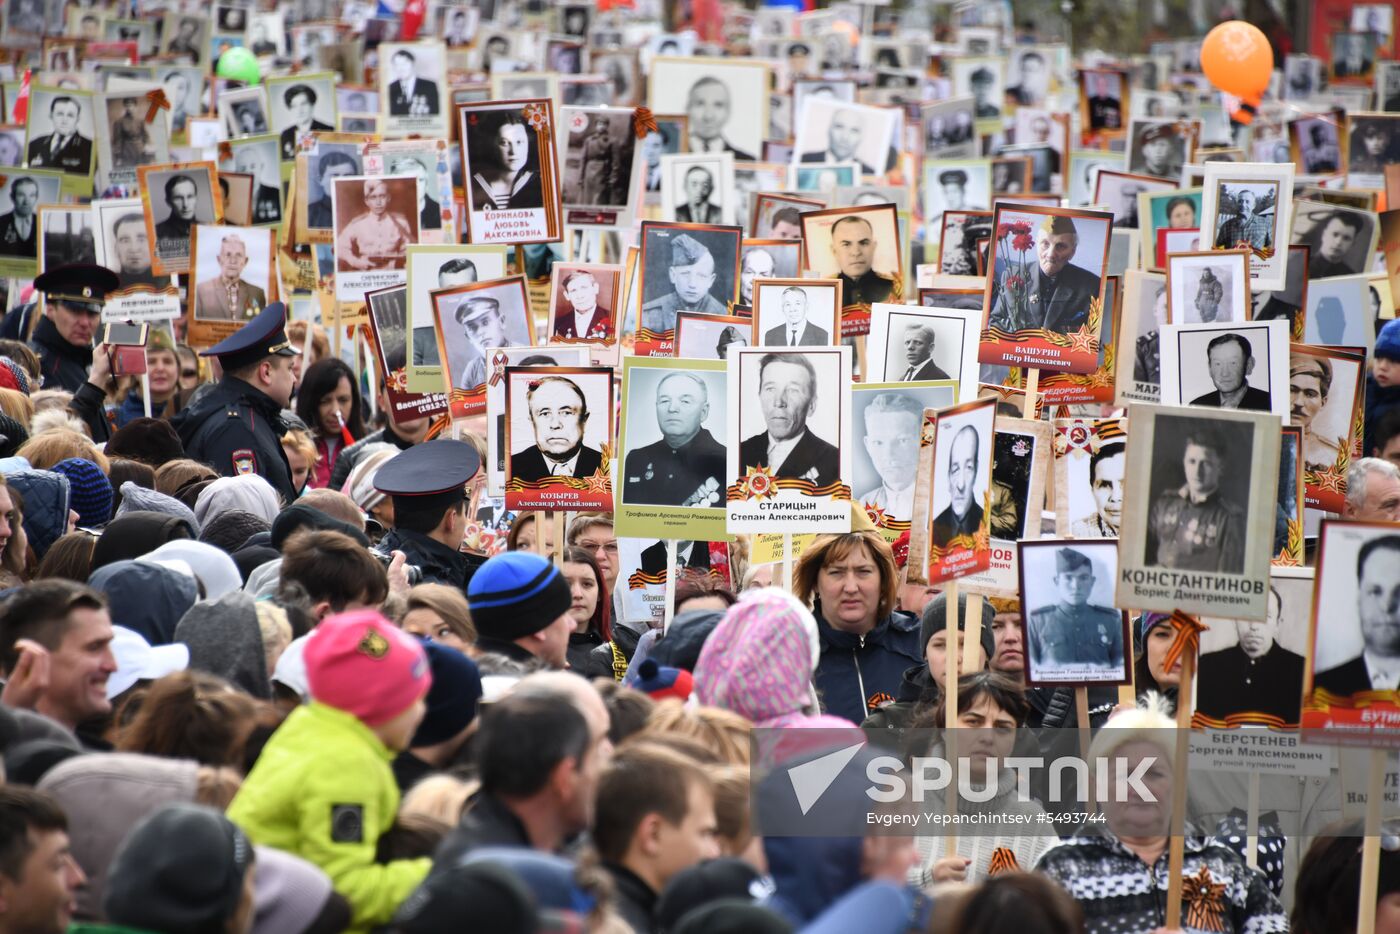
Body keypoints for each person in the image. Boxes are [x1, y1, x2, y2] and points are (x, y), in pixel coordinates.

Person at [228, 610, 432, 931]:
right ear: (379, 706)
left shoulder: (312, 729)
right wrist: (437, 875)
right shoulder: (347, 765)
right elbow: (342, 890)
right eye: (414, 700)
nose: (422, 712)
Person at [1035, 700, 1287, 934]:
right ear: (1096, 785)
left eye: (1153, 773)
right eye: (1124, 774)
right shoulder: (1060, 869)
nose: (1139, 788)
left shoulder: (1223, 866)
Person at [432, 676, 611, 862]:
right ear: (563, 776)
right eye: (598, 742)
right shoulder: (489, 878)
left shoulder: (500, 848)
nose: (610, 753)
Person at [172, 302, 299, 502]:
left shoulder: (247, 418)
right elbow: (243, 516)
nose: (294, 378)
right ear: (266, 372)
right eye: (290, 368)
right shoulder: (237, 429)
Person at [592, 744, 720, 933]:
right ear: (653, 834)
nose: (715, 853)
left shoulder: (595, 904)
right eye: (704, 834)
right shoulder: (621, 925)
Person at [0, 579, 115, 734]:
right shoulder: (15, 755)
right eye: (94, 647)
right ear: (29, 658)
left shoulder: (104, 754)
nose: (113, 665)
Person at [373, 439, 483, 590]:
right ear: (451, 519)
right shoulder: (436, 589)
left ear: (395, 513)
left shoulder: (373, 563)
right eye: (465, 514)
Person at [1196, 584, 1306, 726]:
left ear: (1278, 623)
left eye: (1266, 616)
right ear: (1235, 621)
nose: (1254, 625)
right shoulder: (1207, 667)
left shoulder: (1300, 670)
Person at [1148, 427, 1245, 573]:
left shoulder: (1230, 518)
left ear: (1221, 468)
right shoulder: (1165, 503)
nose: (1197, 471)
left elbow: (1227, 580)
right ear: (1184, 462)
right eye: (1192, 461)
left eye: (1205, 463)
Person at [1313, 534, 1400, 697]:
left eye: (1399, 592)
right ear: (1359, 598)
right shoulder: (1319, 689)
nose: (1387, 606)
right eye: (1375, 591)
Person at [623, 372, 726, 508]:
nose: (672, 409)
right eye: (664, 401)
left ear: (704, 412)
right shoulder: (636, 459)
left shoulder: (726, 461)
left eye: (685, 401)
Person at [738, 352, 840, 486]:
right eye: (770, 389)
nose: (779, 401)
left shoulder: (834, 461)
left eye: (793, 390)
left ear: (811, 405)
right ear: (760, 396)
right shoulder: (740, 452)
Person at [988, 214, 1102, 334]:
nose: (1050, 254)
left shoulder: (1092, 286)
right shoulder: (1012, 275)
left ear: (1072, 252)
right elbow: (996, 322)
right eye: (1045, 244)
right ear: (1037, 243)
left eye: (1060, 246)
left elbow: (1093, 336)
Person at [27, 263, 120, 398]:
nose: (84, 323)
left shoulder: (82, 359)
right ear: (51, 309)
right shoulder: (38, 366)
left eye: (92, 313)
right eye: (75, 311)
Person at [1027, 547, 1123, 672]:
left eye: (1083, 578)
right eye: (1068, 578)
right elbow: (1031, 670)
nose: (1075, 586)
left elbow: (1121, 668)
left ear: (1092, 581)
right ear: (1057, 581)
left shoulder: (1111, 620)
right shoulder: (1037, 621)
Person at [510, 375, 603, 481]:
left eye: (566, 413)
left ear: (584, 420)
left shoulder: (606, 466)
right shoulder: (511, 468)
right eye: (545, 413)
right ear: (532, 422)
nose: (555, 424)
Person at [855, 393, 922, 522]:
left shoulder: (942, 502)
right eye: (878, 443)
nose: (889, 454)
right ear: (868, 446)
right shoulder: (863, 505)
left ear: (922, 441)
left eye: (902, 440)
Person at [641, 233, 727, 332]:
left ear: (710, 281)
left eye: (701, 276)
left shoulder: (724, 315)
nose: (692, 284)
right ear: (673, 275)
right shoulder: (650, 314)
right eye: (685, 274)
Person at [468, 113, 544, 211]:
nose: (513, 151)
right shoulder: (473, 184)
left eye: (519, 142)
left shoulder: (542, 183)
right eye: (504, 143)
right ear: (492, 145)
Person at [337, 178, 412, 271]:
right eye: (373, 197)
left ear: (388, 198)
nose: (378, 202)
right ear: (366, 201)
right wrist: (356, 262)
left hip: (394, 272)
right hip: (366, 273)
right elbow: (339, 247)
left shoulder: (400, 222)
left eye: (382, 196)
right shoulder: (357, 224)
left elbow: (409, 249)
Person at [1290, 353, 1346, 470]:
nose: (1299, 402)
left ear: (1323, 402)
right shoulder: (1256, 438)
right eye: (1291, 390)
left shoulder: (1333, 457)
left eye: (1310, 394)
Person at [193, 234, 266, 322]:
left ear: (245, 261)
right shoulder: (201, 291)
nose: (233, 261)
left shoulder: (257, 293)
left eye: (238, 255)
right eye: (228, 255)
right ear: (219, 259)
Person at [1189, 333, 1272, 410]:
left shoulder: (1270, 403)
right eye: (1217, 364)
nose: (1224, 373)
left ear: (1249, 365)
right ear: (1209, 368)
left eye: (1233, 363)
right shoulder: (1197, 407)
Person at [932, 424, 983, 548]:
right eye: (955, 470)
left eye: (969, 468)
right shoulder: (934, 528)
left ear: (976, 471)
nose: (961, 485)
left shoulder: (987, 526)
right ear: (949, 476)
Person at [830, 215, 897, 306]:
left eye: (864, 243)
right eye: (846, 244)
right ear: (834, 251)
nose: (856, 252)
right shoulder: (825, 292)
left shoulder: (894, 288)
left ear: (874, 246)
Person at [686, 77, 753, 160]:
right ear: (687, 109)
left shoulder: (747, 162)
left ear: (728, 112)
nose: (708, 116)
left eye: (718, 105)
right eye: (700, 104)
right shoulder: (667, 157)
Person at [451, 296, 508, 392]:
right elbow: (466, 404)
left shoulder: (525, 357)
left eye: (485, 322)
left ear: (501, 321)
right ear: (468, 337)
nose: (480, 332)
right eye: (473, 328)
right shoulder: (471, 370)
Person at [1071, 441, 1125, 537]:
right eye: (1104, 485)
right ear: (1093, 490)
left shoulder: (1159, 530)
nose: (1115, 497)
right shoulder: (1075, 533)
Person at [26, 97, 92, 174]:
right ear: (51, 115)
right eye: (60, 114)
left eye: (70, 115)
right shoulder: (35, 144)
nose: (64, 120)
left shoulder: (89, 147)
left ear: (77, 119)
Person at [799, 108, 876, 174]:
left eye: (854, 130)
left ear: (861, 138)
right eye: (839, 127)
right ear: (829, 130)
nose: (845, 137)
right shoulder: (804, 160)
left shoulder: (869, 173)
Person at [552, 269, 612, 340]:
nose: (579, 296)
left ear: (595, 288)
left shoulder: (612, 318)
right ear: (567, 295)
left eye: (584, 288)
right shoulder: (557, 324)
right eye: (573, 290)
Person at [278, 83, 333, 160]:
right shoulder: (286, 135)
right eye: (294, 106)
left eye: (303, 104)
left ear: (312, 105)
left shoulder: (329, 130)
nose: (299, 110)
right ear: (290, 109)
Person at [307, 150, 360, 229]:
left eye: (348, 176)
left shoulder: (367, 212)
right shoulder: (308, 213)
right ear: (320, 180)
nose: (341, 181)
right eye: (335, 176)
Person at [1306, 210, 1365, 278]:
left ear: (1352, 244)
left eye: (1346, 238)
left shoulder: (1352, 277)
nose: (1338, 242)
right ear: (1324, 235)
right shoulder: (1301, 266)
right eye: (1335, 234)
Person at [387, 156, 440, 232]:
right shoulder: (384, 215)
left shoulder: (439, 213)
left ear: (426, 184)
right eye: (407, 182)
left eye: (420, 180)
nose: (415, 186)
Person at [762, 287, 828, 346]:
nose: (792, 309)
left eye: (798, 303)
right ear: (782, 308)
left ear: (806, 306)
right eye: (788, 304)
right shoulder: (771, 335)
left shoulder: (821, 335)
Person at [576, 118, 620, 206]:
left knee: (599, 200)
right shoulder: (589, 140)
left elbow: (616, 161)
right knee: (586, 199)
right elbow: (583, 159)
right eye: (599, 124)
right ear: (596, 126)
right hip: (589, 172)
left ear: (607, 126)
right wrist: (580, 177)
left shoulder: (612, 140)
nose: (601, 126)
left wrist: (613, 177)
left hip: (603, 172)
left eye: (604, 124)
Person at [1214, 187, 1273, 252]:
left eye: (1247, 202)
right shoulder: (1226, 226)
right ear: (1237, 204)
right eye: (1240, 201)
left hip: (1255, 262)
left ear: (1253, 205)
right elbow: (1216, 249)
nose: (1243, 205)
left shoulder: (1265, 224)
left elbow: (1271, 249)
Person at [388, 49, 440, 116]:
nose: (400, 68)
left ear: (413, 64)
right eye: (397, 65)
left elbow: (436, 112)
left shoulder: (430, 85)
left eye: (404, 64)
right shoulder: (390, 88)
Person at [154, 174, 201, 247]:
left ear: (196, 199)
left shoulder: (209, 229)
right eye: (178, 198)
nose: (185, 204)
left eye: (190, 196)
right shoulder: (156, 232)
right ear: (168, 202)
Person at [0, 176, 39, 258]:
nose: (26, 201)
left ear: (36, 198)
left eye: (31, 195)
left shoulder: (42, 223)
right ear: (12, 197)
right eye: (21, 195)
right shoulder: (1, 222)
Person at [109, 97, 150, 169]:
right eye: (127, 105)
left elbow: (145, 135)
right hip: (127, 151)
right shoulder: (119, 122)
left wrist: (146, 146)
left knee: (141, 170)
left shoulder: (140, 121)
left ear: (135, 106)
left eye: (131, 105)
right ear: (125, 107)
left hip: (139, 150)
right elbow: (117, 140)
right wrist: (119, 157)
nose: (129, 107)